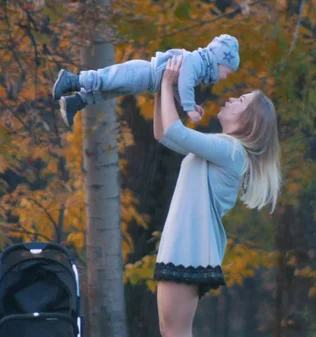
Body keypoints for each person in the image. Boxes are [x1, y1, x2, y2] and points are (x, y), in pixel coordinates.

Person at [152, 55, 281, 337]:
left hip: (188, 249)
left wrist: (165, 83)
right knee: (170, 330)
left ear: (249, 120)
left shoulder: (232, 151)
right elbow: (163, 134)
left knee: (174, 332)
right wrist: (162, 90)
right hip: (181, 246)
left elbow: (174, 129)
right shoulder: (220, 149)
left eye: (241, 101)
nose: (232, 99)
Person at [52, 34, 240, 127]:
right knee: (108, 79)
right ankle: (72, 80)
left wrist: (188, 103)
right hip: (144, 73)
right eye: (227, 72)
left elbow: (177, 84)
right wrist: (189, 107)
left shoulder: (198, 69)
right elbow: (184, 83)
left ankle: (75, 102)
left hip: (146, 82)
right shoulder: (196, 61)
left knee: (110, 91)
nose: (225, 77)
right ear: (218, 61)